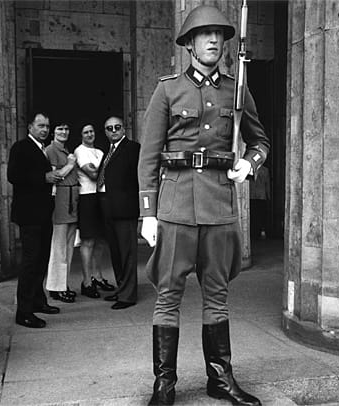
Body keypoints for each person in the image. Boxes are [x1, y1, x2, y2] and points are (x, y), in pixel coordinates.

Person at [138, 5, 270, 406]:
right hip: (176, 204)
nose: (213, 40)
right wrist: (147, 211)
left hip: (218, 202)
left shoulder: (237, 89)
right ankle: (165, 384)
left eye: (219, 34)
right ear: (189, 43)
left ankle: (220, 379)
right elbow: (149, 155)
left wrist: (249, 163)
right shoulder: (168, 89)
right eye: (204, 34)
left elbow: (260, 141)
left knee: (217, 293)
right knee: (168, 295)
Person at [7, 111, 61, 329]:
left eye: (47, 126)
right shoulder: (21, 147)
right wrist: (43, 177)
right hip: (29, 215)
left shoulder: (41, 149)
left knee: (41, 260)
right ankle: (24, 312)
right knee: (31, 262)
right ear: (30, 127)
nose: (45, 130)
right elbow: (13, 176)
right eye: (40, 126)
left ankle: (38, 301)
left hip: (42, 214)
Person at [97, 116, 140, 310]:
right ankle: (121, 288)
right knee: (115, 252)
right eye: (109, 128)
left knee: (127, 253)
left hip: (124, 208)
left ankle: (128, 295)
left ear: (124, 128)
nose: (113, 130)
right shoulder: (109, 151)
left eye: (117, 127)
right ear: (105, 131)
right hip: (108, 206)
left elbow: (139, 178)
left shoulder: (133, 148)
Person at [74, 124, 116, 298]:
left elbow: (98, 171)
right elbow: (92, 174)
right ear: (81, 135)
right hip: (87, 198)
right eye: (85, 132)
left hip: (101, 197)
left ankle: (97, 277)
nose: (89, 134)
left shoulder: (99, 152)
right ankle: (86, 282)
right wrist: (108, 169)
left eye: (92, 131)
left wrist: (102, 170)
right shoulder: (80, 151)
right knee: (88, 241)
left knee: (101, 240)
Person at [44, 122, 80, 303]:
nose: (64, 132)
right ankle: (55, 288)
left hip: (71, 202)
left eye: (66, 129)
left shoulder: (66, 149)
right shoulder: (50, 150)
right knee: (58, 248)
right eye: (60, 129)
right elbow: (54, 177)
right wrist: (70, 165)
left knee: (68, 248)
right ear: (53, 132)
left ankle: (63, 285)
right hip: (60, 202)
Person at [249, 164, 270, 240]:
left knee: (253, 215)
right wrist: (268, 195)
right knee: (261, 215)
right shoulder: (265, 170)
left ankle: (253, 232)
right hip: (261, 195)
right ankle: (262, 231)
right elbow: (267, 184)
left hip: (252, 195)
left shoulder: (250, 168)